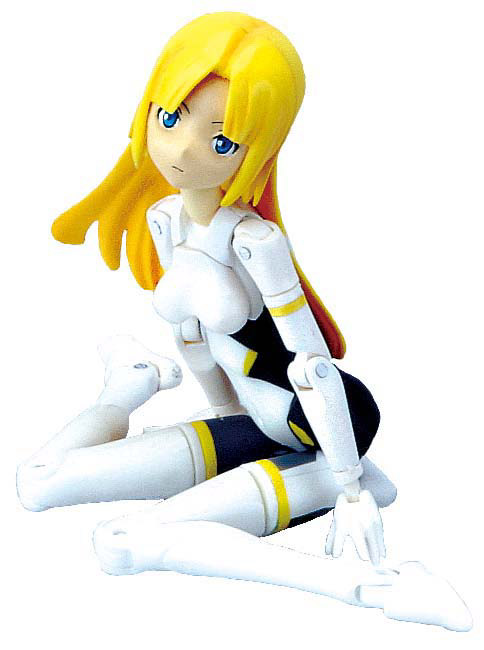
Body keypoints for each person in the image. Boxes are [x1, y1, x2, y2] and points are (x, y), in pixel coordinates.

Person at [16, 12, 471, 631]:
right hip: (250, 421)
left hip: (318, 428)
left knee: (124, 540)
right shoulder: (166, 220)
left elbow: (311, 365)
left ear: (258, 150)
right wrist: (219, 412)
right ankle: (129, 383)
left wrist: (349, 489)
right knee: (38, 481)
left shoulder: (255, 242)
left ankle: (380, 588)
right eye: (169, 117)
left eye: (221, 141)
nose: (182, 149)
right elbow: (200, 340)